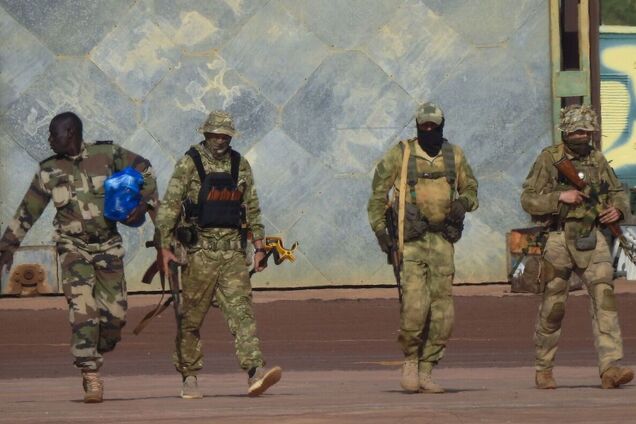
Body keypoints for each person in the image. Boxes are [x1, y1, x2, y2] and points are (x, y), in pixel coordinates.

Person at [0, 111, 158, 403]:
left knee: (114, 317)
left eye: (53, 134)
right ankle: (90, 373)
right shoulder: (49, 170)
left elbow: (145, 169)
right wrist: (7, 247)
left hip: (108, 246)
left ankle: (98, 344)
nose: (50, 140)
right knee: (83, 310)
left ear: (70, 133)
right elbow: (27, 211)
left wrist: (144, 203)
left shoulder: (106, 155)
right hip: (72, 247)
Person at [155, 110, 282, 399]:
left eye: (225, 136)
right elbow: (171, 205)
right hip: (199, 254)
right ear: (206, 133)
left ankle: (255, 371)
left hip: (232, 254)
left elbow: (252, 207)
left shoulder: (240, 164)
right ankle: (189, 377)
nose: (220, 140)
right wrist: (164, 248)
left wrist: (260, 247)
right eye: (215, 135)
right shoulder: (189, 162)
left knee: (242, 313)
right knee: (190, 318)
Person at [367, 102, 478, 393]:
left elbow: (471, 188)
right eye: (424, 126)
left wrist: (463, 202)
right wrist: (381, 233)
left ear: (441, 125)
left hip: (442, 242)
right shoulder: (401, 154)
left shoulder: (454, 155)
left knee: (443, 313)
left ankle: (427, 369)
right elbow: (377, 195)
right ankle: (410, 361)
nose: (428, 130)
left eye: (433, 125)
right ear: (417, 126)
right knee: (415, 308)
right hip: (411, 243)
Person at [521, 104, 633, 389]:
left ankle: (611, 368)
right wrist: (560, 197)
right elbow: (528, 199)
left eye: (587, 131)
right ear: (566, 132)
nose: (583, 136)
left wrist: (618, 210)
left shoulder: (597, 159)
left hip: (591, 237)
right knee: (554, 307)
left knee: (605, 300)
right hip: (559, 239)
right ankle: (544, 368)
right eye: (578, 131)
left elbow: (617, 191)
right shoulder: (550, 159)